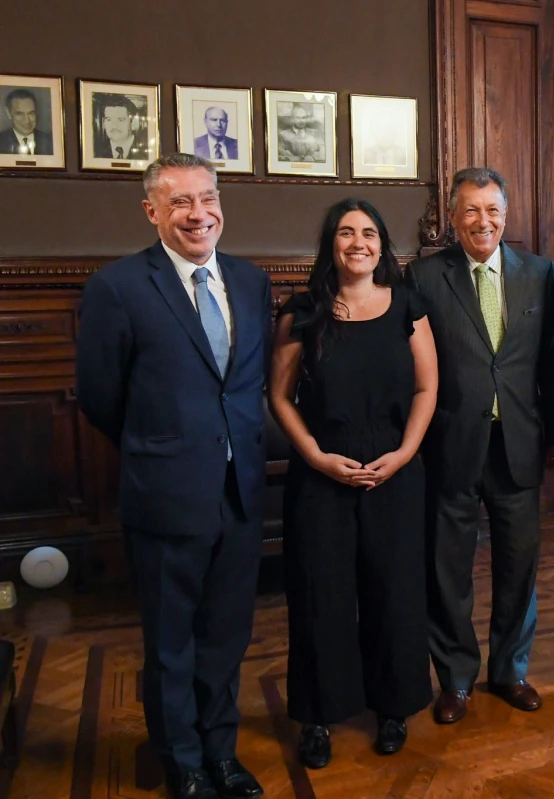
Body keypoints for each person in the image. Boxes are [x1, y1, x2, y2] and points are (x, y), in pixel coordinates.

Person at [76, 153, 271, 799]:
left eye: (208, 197)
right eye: (180, 201)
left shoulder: (250, 282)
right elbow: (101, 397)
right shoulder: (119, 287)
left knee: (225, 637)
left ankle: (221, 751)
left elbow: (250, 384)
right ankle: (182, 762)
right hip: (164, 494)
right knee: (170, 643)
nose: (199, 213)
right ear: (152, 211)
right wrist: (162, 450)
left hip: (239, 492)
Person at [269, 199, 437, 768]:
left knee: (394, 592)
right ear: (331, 245)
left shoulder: (410, 307)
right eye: (346, 233)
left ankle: (393, 706)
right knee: (322, 597)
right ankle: (317, 717)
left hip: (396, 470)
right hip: (321, 474)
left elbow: (426, 390)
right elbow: (279, 396)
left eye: (368, 233)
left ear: (383, 245)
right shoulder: (301, 311)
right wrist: (316, 456)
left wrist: (404, 454)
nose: (358, 242)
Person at [406, 167, 554, 725]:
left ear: (507, 213)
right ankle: (454, 678)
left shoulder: (539, 273)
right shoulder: (425, 278)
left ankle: (509, 670)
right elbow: (410, 369)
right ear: (452, 218)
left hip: (520, 442)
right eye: (471, 211)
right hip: (450, 444)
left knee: (519, 565)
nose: (484, 221)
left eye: (493, 210)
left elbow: (553, 363)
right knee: (446, 567)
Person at [0, 89, 53, 155]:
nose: (27, 121)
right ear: (8, 113)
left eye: (31, 113)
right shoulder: (1, 142)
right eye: (20, 114)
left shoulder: (50, 142)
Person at [95, 95, 149, 160]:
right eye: (109, 120)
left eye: (120, 120)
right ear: (103, 123)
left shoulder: (147, 152)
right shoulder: (96, 153)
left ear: (133, 123)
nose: (114, 126)